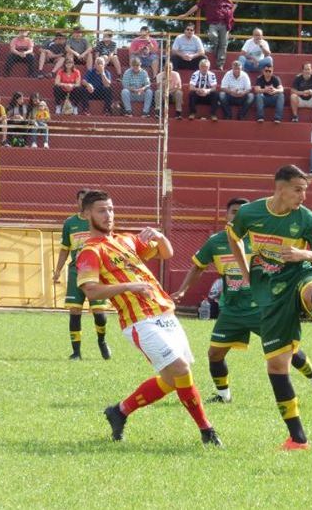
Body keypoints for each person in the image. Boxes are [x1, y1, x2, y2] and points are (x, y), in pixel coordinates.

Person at [226, 165, 312, 450]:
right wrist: (244, 269)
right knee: (277, 365)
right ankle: (297, 439)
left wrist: (303, 254)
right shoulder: (250, 213)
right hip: (269, 290)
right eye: (298, 189)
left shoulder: (306, 218)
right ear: (280, 188)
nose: (303, 196)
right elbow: (233, 236)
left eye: (305, 190)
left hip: (298, 272)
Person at [76, 190, 222, 445]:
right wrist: (128, 287)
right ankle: (207, 431)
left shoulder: (126, 241)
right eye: (101, 210)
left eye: (110, 209)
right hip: (138, 320)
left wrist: (161, 236)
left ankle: (119, 411)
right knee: (181, 369)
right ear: (86, 214)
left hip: (164, 312)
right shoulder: (90, 251)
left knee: (170, 379)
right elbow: (90, 290)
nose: (108, 215)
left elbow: (166, 253)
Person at [171, 197, 312, 405]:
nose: (238, 216)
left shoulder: (262, 239)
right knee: (214, 353)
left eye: (242, 212)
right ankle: (224, 396)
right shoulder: (216, 242)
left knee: (290, 350)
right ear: (227, 215)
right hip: (231, 310)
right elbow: (198, 266)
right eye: (234, 212)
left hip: (263, 307)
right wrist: (181, 291)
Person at [51, 189, 111, 360]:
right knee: (74, 311)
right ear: (78, 202)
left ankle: (102, 341)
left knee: (99, 313)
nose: (84, 202)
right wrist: (57, 270)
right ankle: (76, 352)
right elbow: (65, 248)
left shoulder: (99, 221)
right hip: (75, 271)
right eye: (82, 199)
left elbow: (109, 245)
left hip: (95, 271)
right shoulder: (70, 223)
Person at [178, 0, 237, 70]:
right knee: (213, 36)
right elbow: (197, 6)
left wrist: (229, 14)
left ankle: (220, 64)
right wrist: (185, 14)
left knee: (223, 44)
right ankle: (214, 48)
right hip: (213, 23)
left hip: (224, 23)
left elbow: (233, 5)